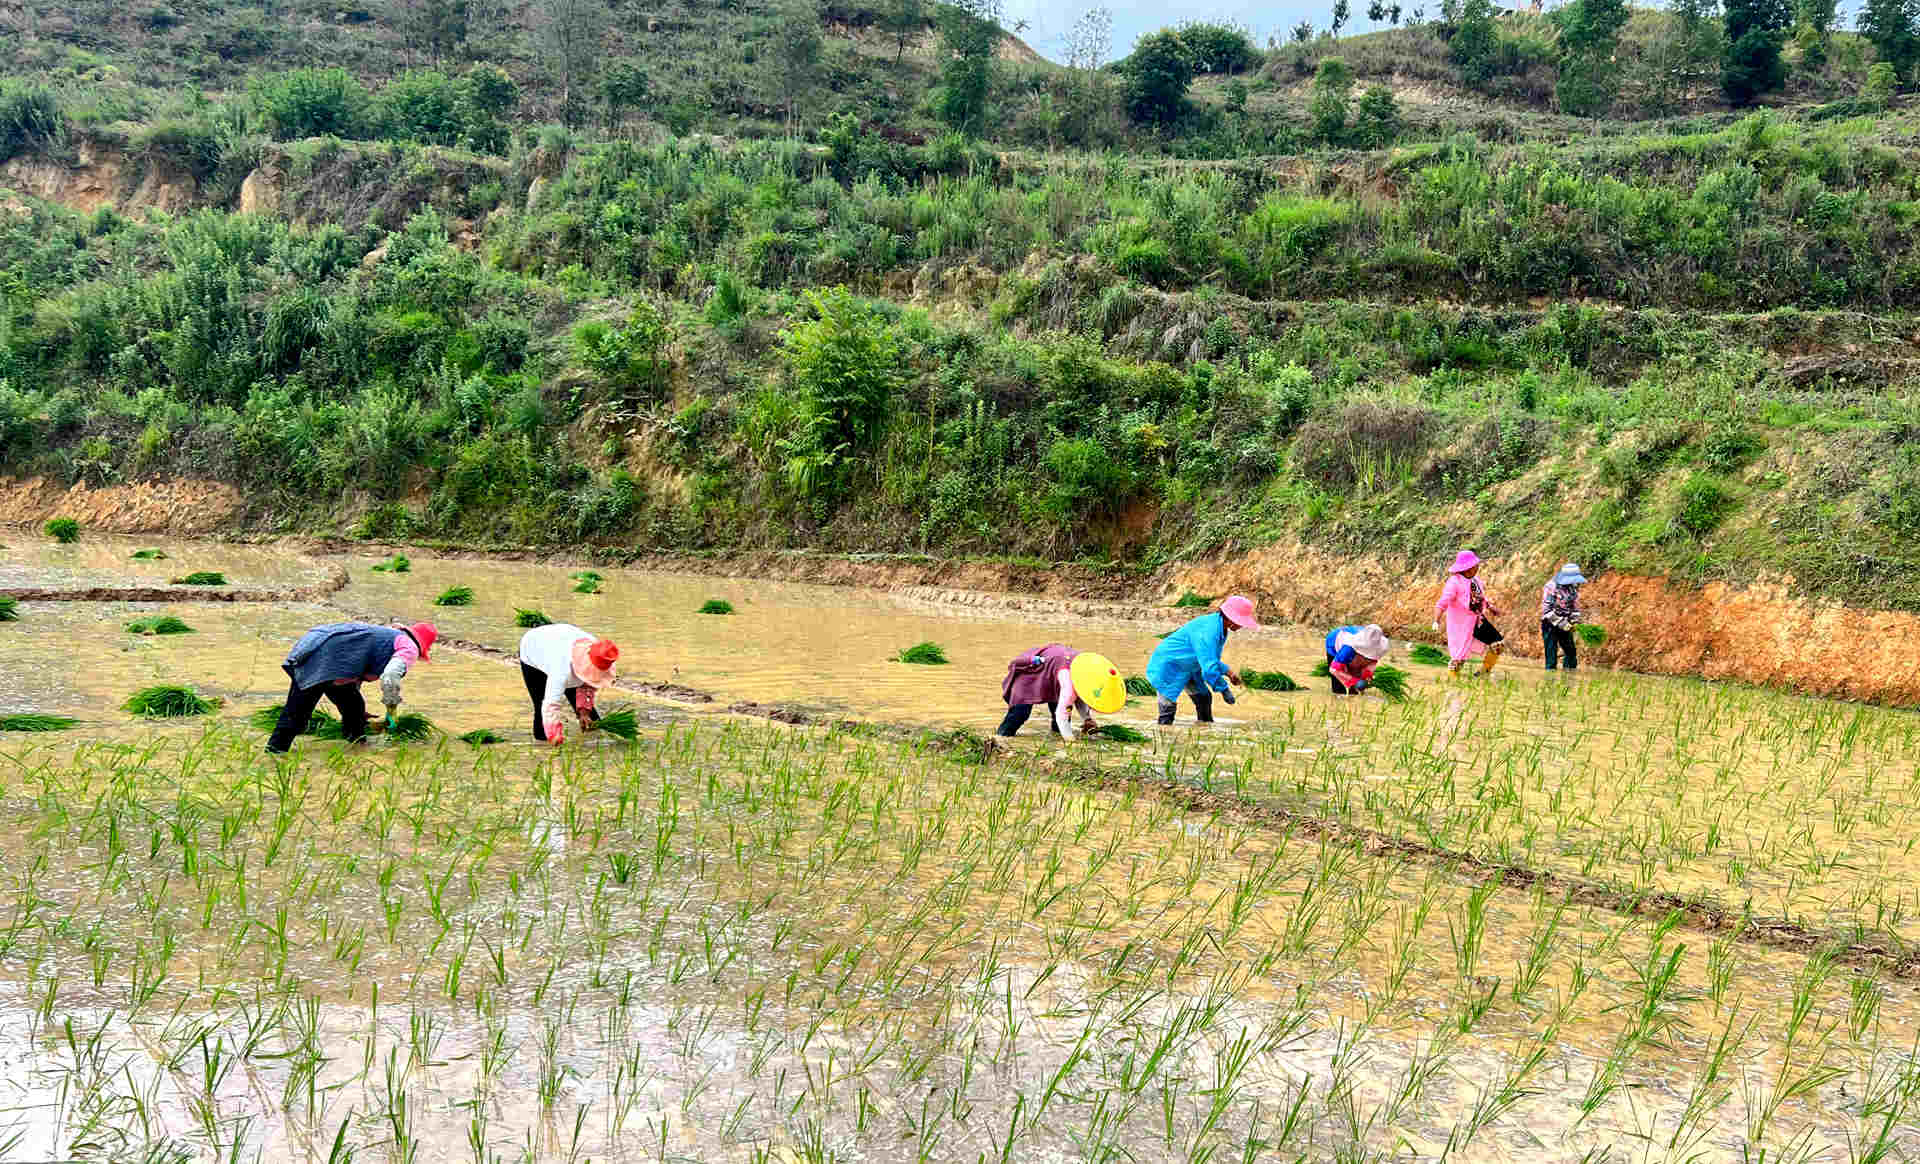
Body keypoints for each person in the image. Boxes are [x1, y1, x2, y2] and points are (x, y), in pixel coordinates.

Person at [266, 620, 437, 754]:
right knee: (296, 715)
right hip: (326, 657)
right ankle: (274, 755)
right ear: (421, 646)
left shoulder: (385, 635)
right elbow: (390, 677)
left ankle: (356, 748)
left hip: (313, 643)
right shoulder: (409, 647)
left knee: (354, 707)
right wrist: (391, 711)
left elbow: (355, 662)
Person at [1146, 595, 1257, 724]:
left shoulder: (1219, 627)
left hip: (1190, 666)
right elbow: (1209, 669)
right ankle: (1164, 733)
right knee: (1168, 706)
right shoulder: (1209, 631)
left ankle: (1204, 728)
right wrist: (1224, 689)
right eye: (1241, 622)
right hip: (1169, 665)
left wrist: (1229, 672)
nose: (1242, 626)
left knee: (1204, 697)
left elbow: (1210, 658)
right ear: (1231, 618)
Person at [997, 645, 1127, 741]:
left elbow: (1081, 696)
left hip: (1054, 677)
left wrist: (1087, 719)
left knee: (1061, 724)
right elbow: (1062, 713)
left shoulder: (1087, 671)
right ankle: (1000, 739)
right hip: (1030, 676)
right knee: (1019, 714)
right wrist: (1071, 742)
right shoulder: (1069, 682)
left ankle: (1056, 737)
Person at [518, 622, 620, 744]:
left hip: (560, 639)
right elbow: (550, 705)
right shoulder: (561, 671)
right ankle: (541, 746)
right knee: (540, 709)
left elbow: (588, 685)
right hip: (532, 649)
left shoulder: (602, 653)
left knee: (593, 721)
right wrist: (554, 734)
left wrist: (583, 712)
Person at [1435, 550, 1504, 677]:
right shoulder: (1454, 582)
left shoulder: (1475, 580)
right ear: (1467, 568)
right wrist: (1436, 620)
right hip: (1462, 624)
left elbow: (1480, 597)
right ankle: (1453, 679)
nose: (1477, 567)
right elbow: (1442, 602)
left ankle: (1483, 673)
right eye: (1475, 565)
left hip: (1478, 620)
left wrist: (1490, 607)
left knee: (1498, 644)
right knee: (1459, 657)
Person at [1540, 562, 1587, 672]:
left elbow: (1575, 606)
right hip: (1550, 624)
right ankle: (1550, 679)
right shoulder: (1551, 586)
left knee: (1571, 652)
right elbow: (1547, 611)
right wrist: (1563, 624)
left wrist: (1574, 621)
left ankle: (1569, 677)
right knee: (1551, 653)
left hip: (1566, 622)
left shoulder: (1573, 588)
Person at [1325, 624, 1390, 695]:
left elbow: (1371, 664)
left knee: (1356, 688)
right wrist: (1355, 681)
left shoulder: (1376, 646)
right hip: (1333, 641)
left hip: (1356, 643)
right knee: (1339, 690)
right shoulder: (1348, 648)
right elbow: (1334, 669)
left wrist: (1366, 677)